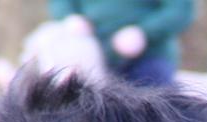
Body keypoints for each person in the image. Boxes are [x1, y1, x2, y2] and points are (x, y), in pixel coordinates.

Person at [48, 0, 195, 87]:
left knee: (153, 120)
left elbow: (180, 11)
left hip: (148, 58)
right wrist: (69, 17)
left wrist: (143, 33)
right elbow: (61, 3)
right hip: (89, 57)